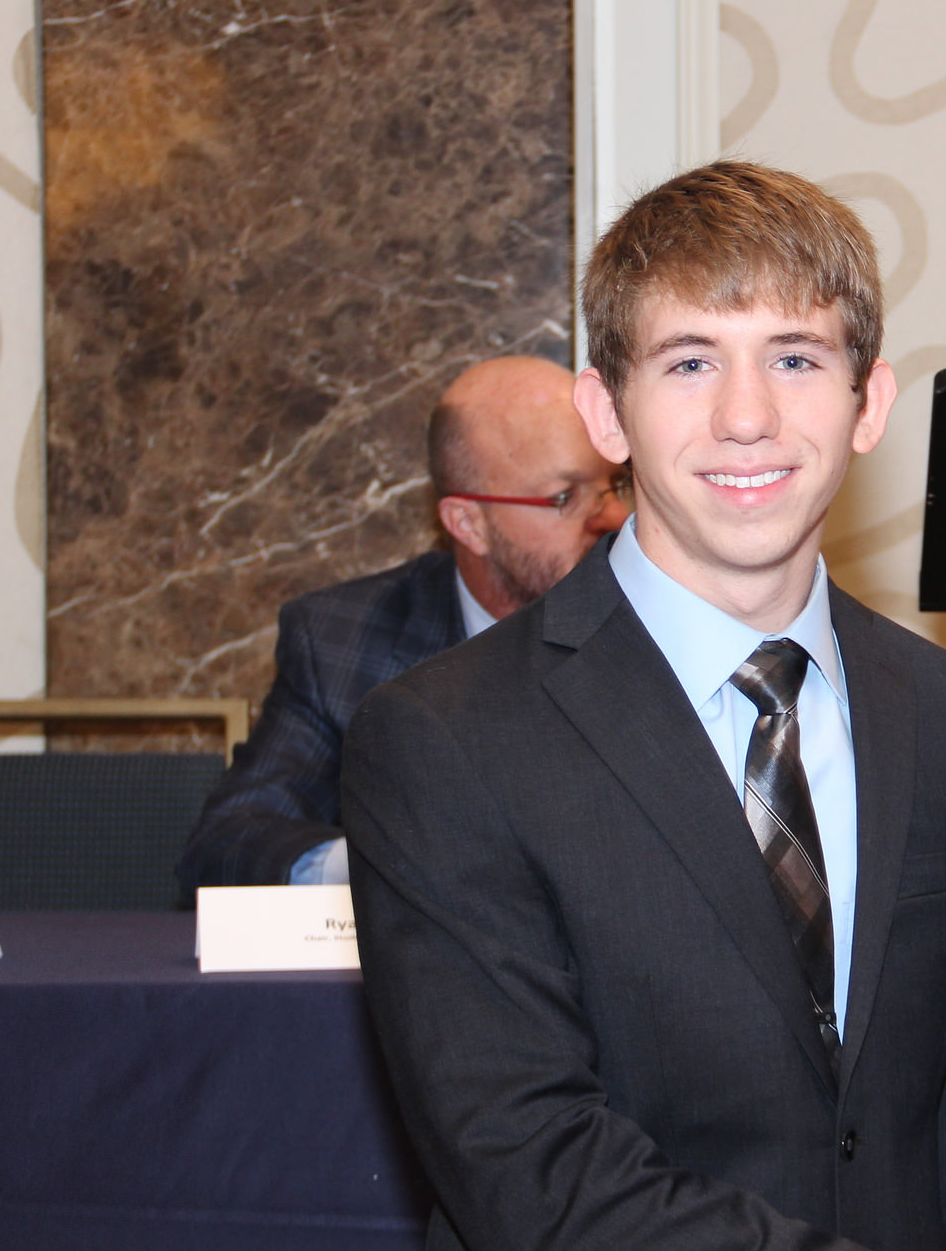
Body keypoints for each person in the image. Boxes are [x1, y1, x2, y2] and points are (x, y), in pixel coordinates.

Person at [340, 162, 946, 1251]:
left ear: (868, 404)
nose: (744, 417)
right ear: (604, 412)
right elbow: (531, 1171)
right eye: (689, 362)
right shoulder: (444, 740)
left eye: (794, 359)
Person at [175, 355, 627, 895]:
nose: (612, 517)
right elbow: (228, 845)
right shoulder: (346, 641)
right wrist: (389, 862)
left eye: (616, 484)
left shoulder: (663, 618)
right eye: (564, 497)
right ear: (469, 524)